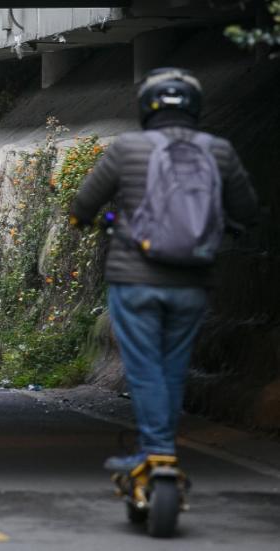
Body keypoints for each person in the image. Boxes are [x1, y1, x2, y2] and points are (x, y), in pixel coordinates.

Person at [70, 68, 258, 474]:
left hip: (134, 278)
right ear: (194, 108)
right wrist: (230, 225)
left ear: (146, 107)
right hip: (191, 280)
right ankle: (160, 451)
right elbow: (247, 211)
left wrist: (86, 220)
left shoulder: (127, 149)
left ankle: (155, 451)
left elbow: (84, 204)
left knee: (143, 368)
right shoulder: (218, 150)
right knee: (173, 366)